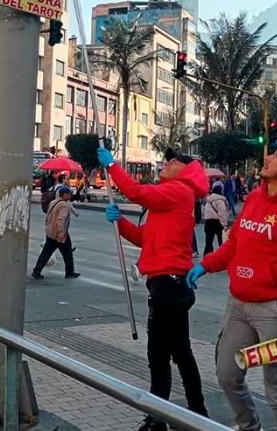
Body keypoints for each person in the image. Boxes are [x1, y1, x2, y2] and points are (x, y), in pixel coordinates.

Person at [187, 143, 277, 431]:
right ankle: (248, 426)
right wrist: (205, 265)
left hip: (275, 311)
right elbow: (235, 244)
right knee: (227, 375)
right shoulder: (257, 197)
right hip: (238, 305)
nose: (268, 157)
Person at [101, 146, 209, 429]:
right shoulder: (171, 198)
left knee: (159, 353)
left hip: (168, 284)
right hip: (169, 282)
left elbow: (137, 192)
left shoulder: (178, 191)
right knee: (179, 351)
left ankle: (157, 417)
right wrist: (120, 223)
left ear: (185, 169)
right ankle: (196, 411)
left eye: (172, 161)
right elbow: (144, 238)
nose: (166, 163)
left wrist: (112, 166)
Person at [32, 186, 79, 279]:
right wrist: (61, 233)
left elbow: (48, 216)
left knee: (46, 253)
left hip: (51, 232)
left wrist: (48, 227)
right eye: (69, 194)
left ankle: (36, 270)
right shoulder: (64, 205)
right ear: (64, 194)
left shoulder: (53, 202)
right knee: (67, 253)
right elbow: (60, 220)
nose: (70, 196)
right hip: (59, 233)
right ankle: (70, 272)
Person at [202, 182, 231, 255]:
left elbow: (206, 212)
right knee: (221, 242)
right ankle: (222, 256)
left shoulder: (208, 200)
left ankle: (207, 257)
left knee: (208, 242)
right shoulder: (220, 200)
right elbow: (222, 213)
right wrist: (224, 224)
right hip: (218, 223)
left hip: (208, 222)